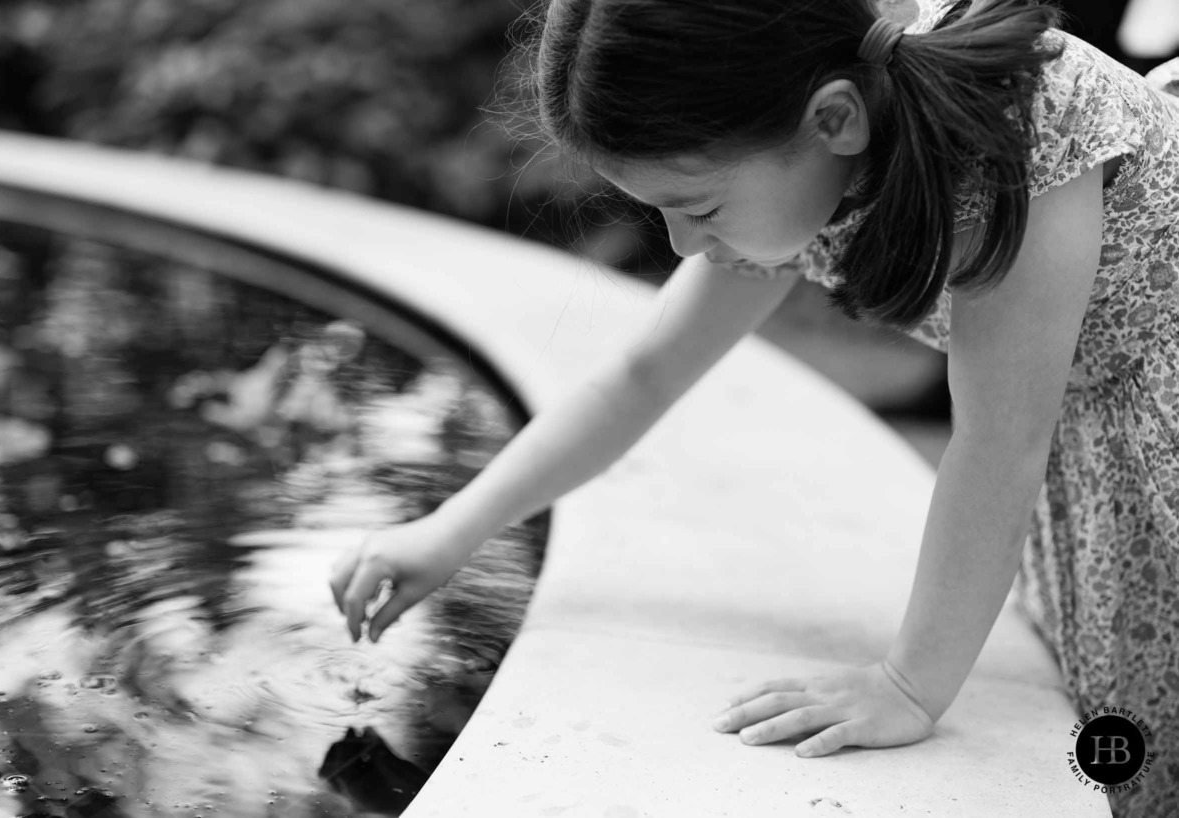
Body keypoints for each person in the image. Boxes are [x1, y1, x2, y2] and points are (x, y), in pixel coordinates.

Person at [329, 1, 1179, 815]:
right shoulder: (805, 133)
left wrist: (910, 684)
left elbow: (999, 439)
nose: (682, 246)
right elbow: (643, 377)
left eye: (698, 209)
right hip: (1099, 446)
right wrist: (451, 530)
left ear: (833, 120)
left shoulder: (1016, 130)